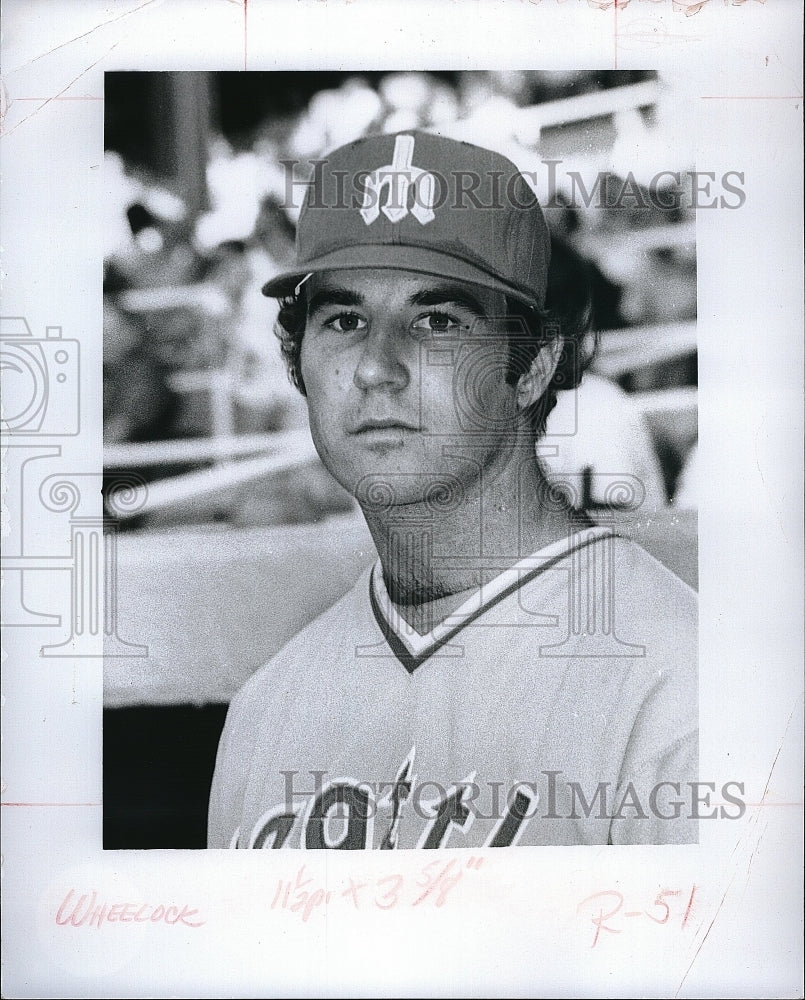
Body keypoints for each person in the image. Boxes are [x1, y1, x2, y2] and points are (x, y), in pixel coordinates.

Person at [208, 130, 697, 849]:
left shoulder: (680, 687)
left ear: (530, 368)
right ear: (296, 360)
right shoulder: (263, 712)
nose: (377, 367)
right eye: (344, 320)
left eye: (437, 321)